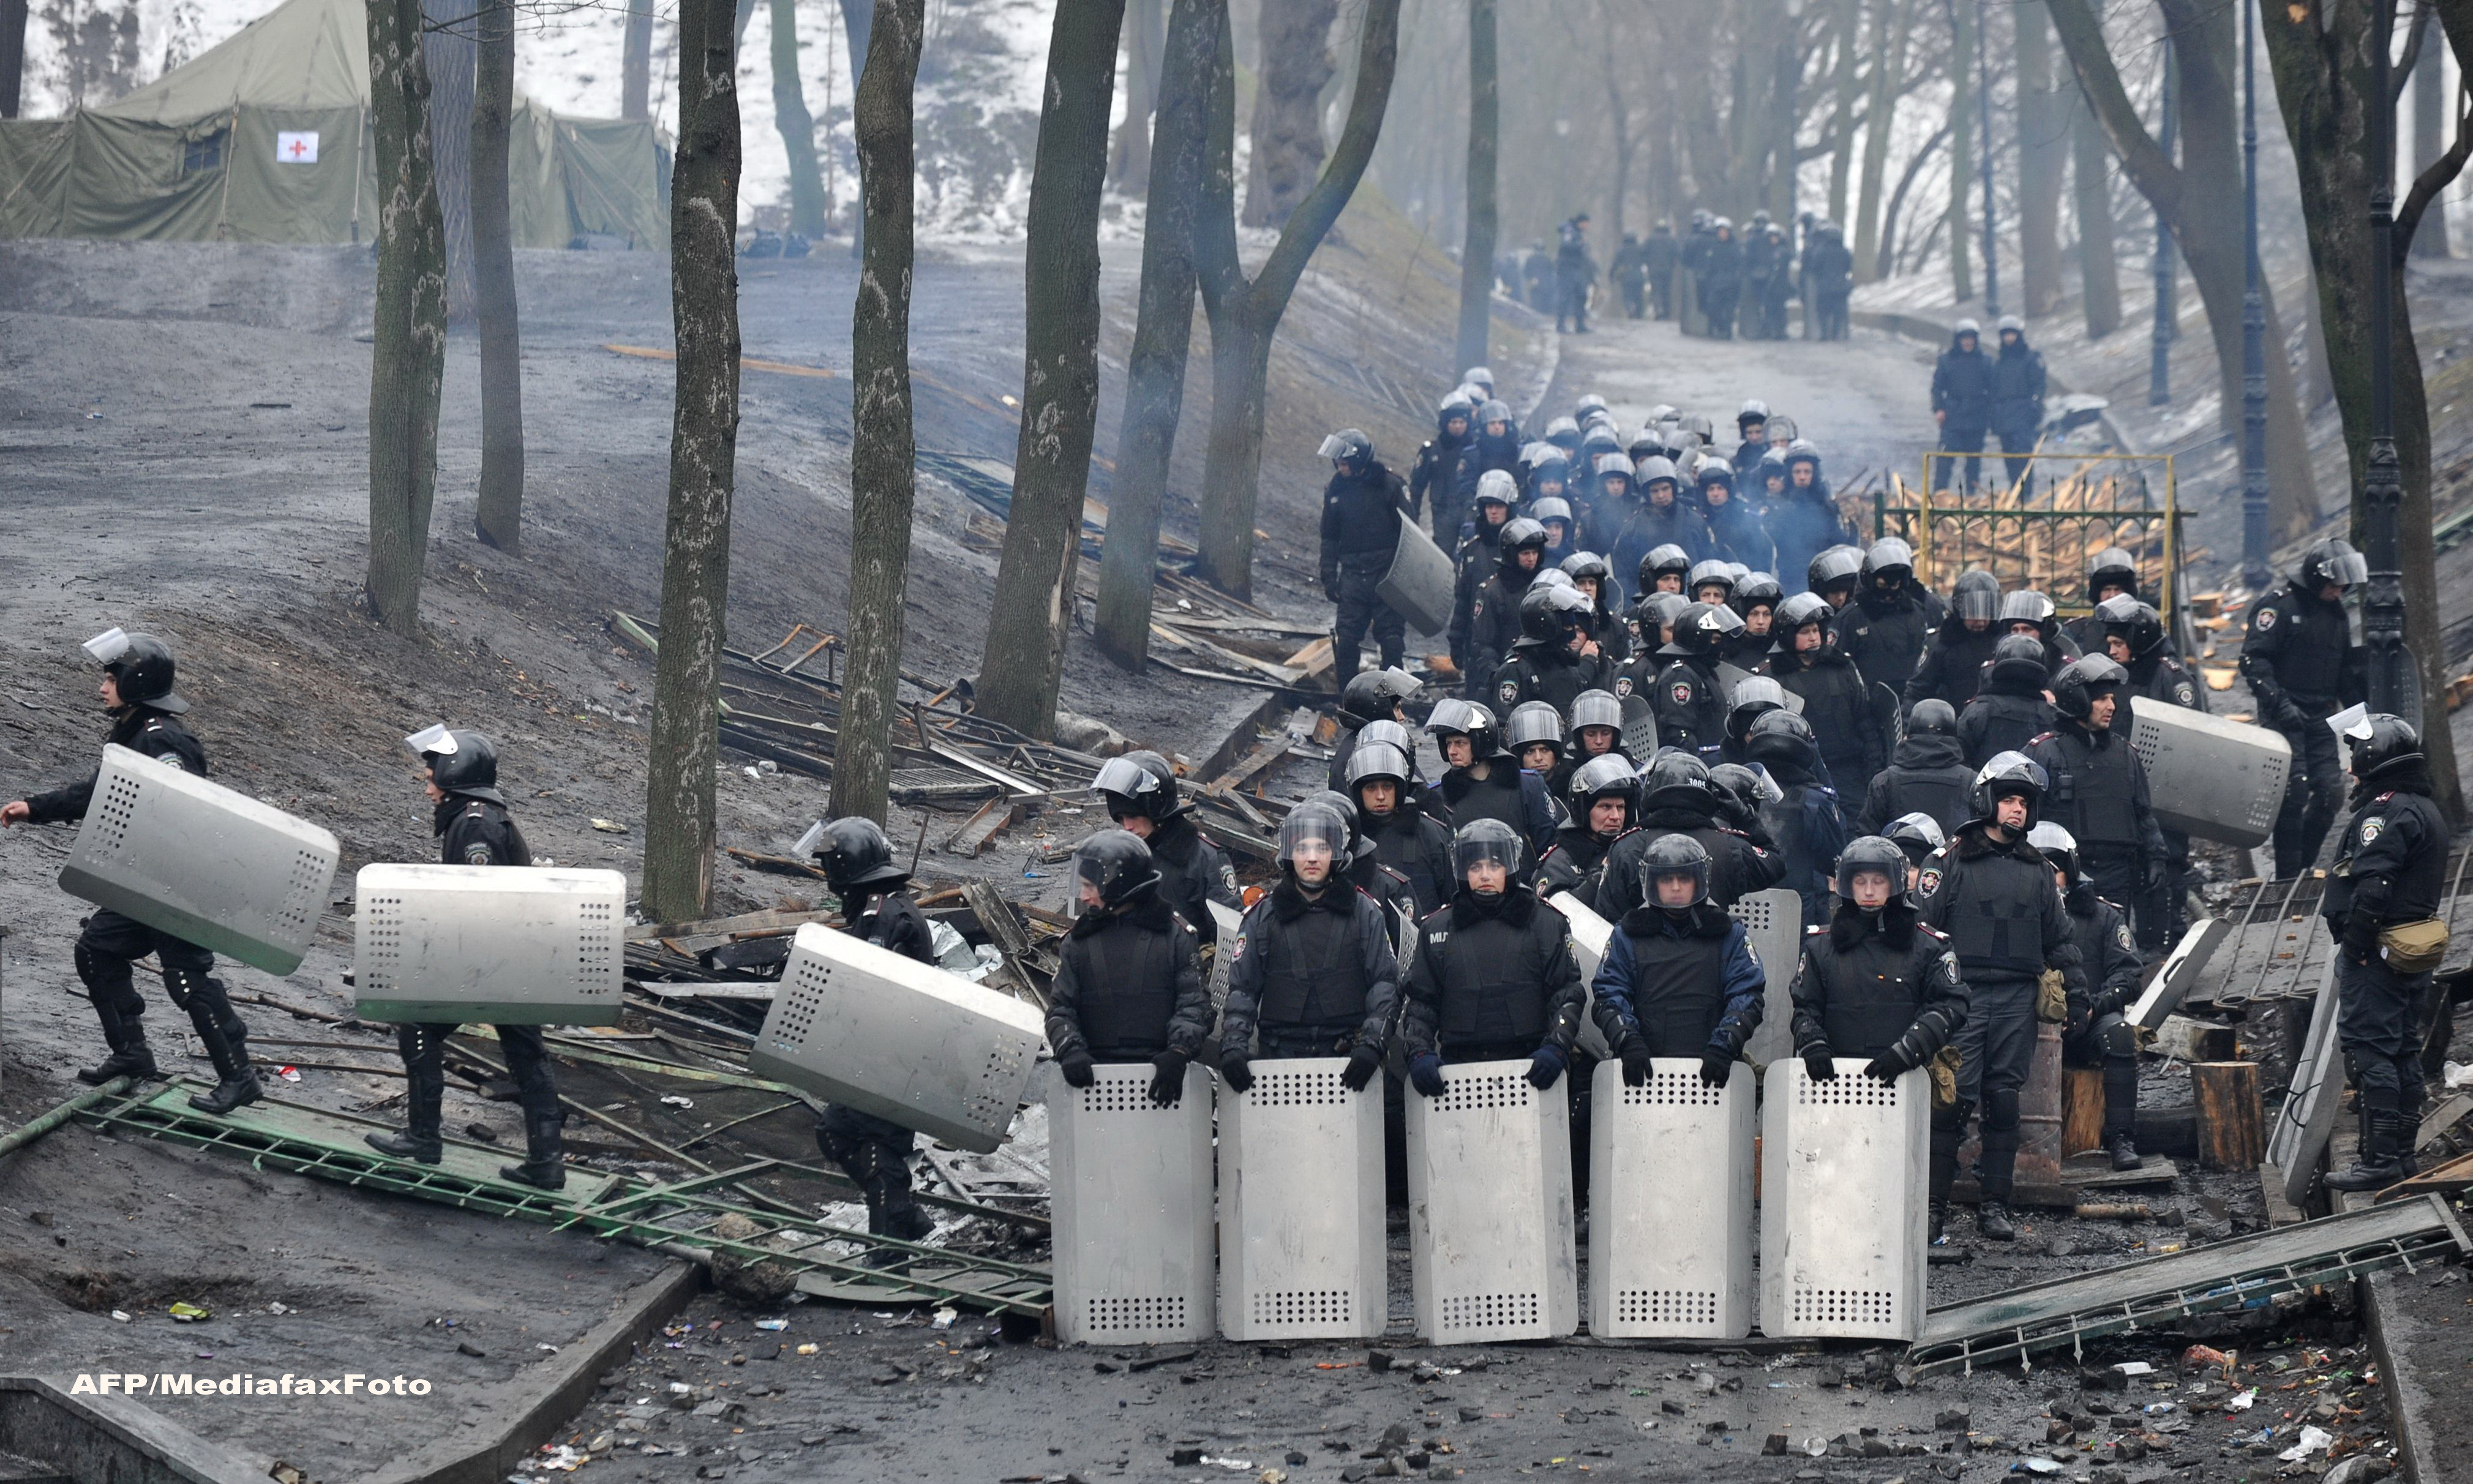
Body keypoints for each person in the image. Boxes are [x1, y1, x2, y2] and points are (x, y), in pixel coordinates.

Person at [2, 630, 259, 1115]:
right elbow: (100, 792)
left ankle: (240, 1078)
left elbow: (187, 813)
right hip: (150, 882)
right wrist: (34, 808)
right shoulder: (136, 734)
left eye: (110, 677)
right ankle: (133, 1054)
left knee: (188, 980)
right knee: (98, 951)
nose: (102, 687)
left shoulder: (164, 741)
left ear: (135, 682)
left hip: (179, 886)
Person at [359, 727, 566, 1186]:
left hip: (489, 964)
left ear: (455, 775)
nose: (428, 786)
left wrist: (445, 966)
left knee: (418, 1026)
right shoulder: (480, 816)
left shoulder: (475, 824)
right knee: (527, 1056)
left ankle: (423, 1137)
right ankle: (546, 1162)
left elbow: (479, 906)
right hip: (511, 961)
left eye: (432, 776)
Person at [1915, 752, 2087, 1242]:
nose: (2016, 810)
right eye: (2009, 799)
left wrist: (2077, 995)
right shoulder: (1948, 860)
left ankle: (1995, 1206)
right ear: (1988, 800)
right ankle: (1933, 1210)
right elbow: (1921, 932)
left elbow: (2060, 939)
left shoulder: (2037, 870)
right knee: (1951, 1104)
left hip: (2016, 996)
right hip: (1961, 997)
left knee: (2003, 1101)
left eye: (2024, 803)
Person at [1788, 835, 1970, 1239]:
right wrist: (1812, 1043)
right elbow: (1804, 1007)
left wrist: (1907, 1051)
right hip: (1833, 1085)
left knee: (1899, 1175)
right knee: (1835, 1177)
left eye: (1878, 881)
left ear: (1895, 884)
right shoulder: (1820, 947)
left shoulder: (1927, 945)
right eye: (1860, 882)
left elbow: (1952, 1004)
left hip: (1902, 1079)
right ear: (1846, 885)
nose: (1869, 891)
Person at [2321, 715, 2449, 1191]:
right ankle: (2400, 1156)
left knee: (2369, 1051)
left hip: (2377, 954)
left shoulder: (2385, 812)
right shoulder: (2422, 806)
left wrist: (2354, 947)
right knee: (2401, 1051)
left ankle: (2378, 1162)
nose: (2352, 765)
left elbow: (2373, 887)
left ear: (2373, 758)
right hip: (2408, 951)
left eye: (2356, 754)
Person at [805, 815, 943, 1243]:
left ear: (847, 865)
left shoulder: (884, 913)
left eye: (831, 863)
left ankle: (890, 1247)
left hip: (891, 1053)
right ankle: (906, 1219)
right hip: (879, 1050)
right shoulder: (877, 906)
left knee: (876, 1141)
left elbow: (878, 990)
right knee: (839, 1131)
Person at [1402, 819, 1589, 1107]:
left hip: (1532, 1068)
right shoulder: (1436, 928)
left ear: (1510, 868)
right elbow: (1422, 1003)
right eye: (1476, 867)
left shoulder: (1546, 923)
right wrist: (1418, 1051)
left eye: (1494, 866)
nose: (1485, 875)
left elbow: (1567, 993)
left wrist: (1558, 1045)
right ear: (1462, 872)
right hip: (1458, 1073)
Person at [1219, 808, 1401, 1092]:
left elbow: (1385, 983)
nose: (1313, 857)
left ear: (1337, 855)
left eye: (1322, 847)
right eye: (1302, 848)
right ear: (1288, 854)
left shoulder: (1365, 913)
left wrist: (1372, 1043)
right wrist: (1233, 1046)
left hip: (1347, 1061)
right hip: (1278, 1060)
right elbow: (1243, 988)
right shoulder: (1261, 917)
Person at [1048, 830, 1216, 1109]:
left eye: (1091, 886)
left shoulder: (1176, 936)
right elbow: (1060, 1008)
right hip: (1094, 1083)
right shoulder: (1077, 942)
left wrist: (1178, 1051)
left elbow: (1195, 1003)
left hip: (1161, 1081)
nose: (1084, 896)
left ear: (1116, 886)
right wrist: (1069, 1048)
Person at [1589, 836, 1768, 1090]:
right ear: (1652, 882)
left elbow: (1748, 993)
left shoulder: (1729, 934)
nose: (1675, 887)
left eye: (1684, 879)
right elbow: (1608, 993)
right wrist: (1627, 1040)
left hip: (1713, 1072)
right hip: (1645, 1072)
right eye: (1666, 879)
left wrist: (1725, 1043)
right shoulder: (1628, 936)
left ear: (1699, 881)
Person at [2241, 537, 2368, 878]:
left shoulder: (2337, 616)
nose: (2340, 590)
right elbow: (2253, 659)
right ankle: (2286, 875)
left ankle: (2302, 866)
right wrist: (2278, 703)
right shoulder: (2280, 606)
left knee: (2330, 793)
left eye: (2344, 585)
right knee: (2293, 791)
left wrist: (2360, 728)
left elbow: (2342, 674)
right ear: (2317, 578)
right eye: (2334, 584)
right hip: (2284, 712)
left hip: (2321, 715)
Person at [2026, 656, 2169, 951]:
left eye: (2112, 699)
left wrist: (2155, 857)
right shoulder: (2046, 752)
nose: (2111, 707)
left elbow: (2143, 813)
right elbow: (2024, 812)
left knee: (2112, 949)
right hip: (2063, 873)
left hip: (2116, 873)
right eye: (2102, 699)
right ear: (2078, 700)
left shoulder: (2125, 754)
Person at [2032, 823, 2148, 1172]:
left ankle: (2121, 1139)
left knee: (2121, 1034)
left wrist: (2094, 1006)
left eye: (2055, 872)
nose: (2049, 881)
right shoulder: (2019, 915)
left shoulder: (2104, 917)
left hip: (2092, 1019)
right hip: (2029, 1023)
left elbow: (2129, 976)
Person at [1592, 751, 1785, 915]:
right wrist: (1746, 818)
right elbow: (1775, 865)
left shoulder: (1626, 848)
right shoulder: (1731, 847)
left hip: (1643, 958)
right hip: (1714, 956)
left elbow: (1606, 917)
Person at [1093, 751, 1239, 931]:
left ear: (1156, 809)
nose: (1127, 826)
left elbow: (1230, 933)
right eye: (1121, 818)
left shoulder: (1205, 859)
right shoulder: (1123, 857)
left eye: (1132, 815)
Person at [1765, 591, 1888, 802]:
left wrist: (1874, 766)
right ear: (1788, 635)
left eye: (1816, 630)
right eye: (1805, 632)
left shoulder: (1842, 667)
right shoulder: (1772, 677)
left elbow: (1864, 719)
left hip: (1849, 771)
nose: (1813, 637)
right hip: (1803, 774)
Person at [1318, 429, 1413, 686]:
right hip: (1352, 573)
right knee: (1347, 639)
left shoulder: (1390, 484)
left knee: (1392, 639)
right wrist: (1328, 576)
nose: (1341, 466)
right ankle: (1348, 699)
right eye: (1339, 462)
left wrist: (1404, 578)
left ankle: (1392, 700)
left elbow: (1410, 532)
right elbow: (1329, 537)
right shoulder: (1336, 490)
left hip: (1387, 572)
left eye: (1346, 462)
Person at [1746, 710, 1849, 927]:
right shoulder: (1815, 800)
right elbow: (1834, 856)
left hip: (1744, 907)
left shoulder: (1739, 792)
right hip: (1798, 911)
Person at [1424, 699, 1558, 858]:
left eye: (1460, 743)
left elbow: (1549, 848)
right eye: (1448, 744)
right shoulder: (1438, 797)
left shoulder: (1528, 786)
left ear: (1481, 742)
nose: (1452, 751)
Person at [1348, 740, 1457, 915]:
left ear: (1399, 789)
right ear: (1359, 793)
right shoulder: (1349, 838)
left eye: (1387, 787)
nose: (1381, 796)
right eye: (1371, 788)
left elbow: (1451, 898)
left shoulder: (1430, 833)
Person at [1834, 537, 1944, 701]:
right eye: (1883, 586)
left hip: (1912, 700)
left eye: (1895, 586)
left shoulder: (1916, 612)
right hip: (1868, 703)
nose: (1889, 594)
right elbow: (1838, 670)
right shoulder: (1851, 618)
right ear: (1870, 581)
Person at [1858, 698, 1976, 838]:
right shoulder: (1972, 781)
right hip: (1955, 859)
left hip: (1901, 859)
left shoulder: (1885, 781)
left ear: (1909, 734)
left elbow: (1867, 838)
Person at [1495, 583, 1615, 716]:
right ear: (1548, 626)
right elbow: (1504, 723)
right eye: (1568, 627)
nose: (1572, 636)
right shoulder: (1515, 670)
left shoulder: (1564, 665)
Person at [1468, 515, 1552, 693]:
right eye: (1525, 553)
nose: (1531, 558)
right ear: (1512, 554)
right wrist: (1496, 676)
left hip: (1544, 675)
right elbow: (1483, 643)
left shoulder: (1548, 586)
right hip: (1507, 677)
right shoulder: (1492, 592)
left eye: (1535, 553)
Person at [1902, 569, 2005, 714]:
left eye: (1986, 614)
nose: (1980, 621)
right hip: (1951, 724)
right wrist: (1909, 727)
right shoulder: (1942, 643)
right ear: (1959, 610)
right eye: (1973, 614)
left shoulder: (2003, 643)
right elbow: (1918, 690)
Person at [1653, 601, 1742, 765]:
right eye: (1716, 639)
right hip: (1698, 766)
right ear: (1698, 639)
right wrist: (1697, 767)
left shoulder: (1701, 671)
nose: (1721, 645)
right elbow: (1680, 734)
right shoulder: (1680, 675)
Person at [1449, 470, 1518, 678]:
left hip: (1512, 637)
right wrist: (1456, 640)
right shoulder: (1472, 549)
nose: (1494, 512)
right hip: (1478, 636)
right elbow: (1462, 597)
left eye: (1499, 506)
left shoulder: (1522, 546)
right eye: (1489, 506)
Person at [1538, 755, 1638, 901]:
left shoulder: (1633, 851)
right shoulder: (1560, 861)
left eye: (1621, 807)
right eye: (1606, 807)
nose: (1616, 816)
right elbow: (1554, 915)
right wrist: (1600, 877)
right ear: (1583, 811)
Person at [1957, 635, 2059, 768]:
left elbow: (1960, 760)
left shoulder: (1978, 711)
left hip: (1984, 787)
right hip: (2038, 787)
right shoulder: (2052, 715)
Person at [1328, 666, 1420, 792]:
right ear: (1380, 710)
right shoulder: (1368, 755)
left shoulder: (1356, 744)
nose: (1402, 717)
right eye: (1397, 709)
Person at [1929, 319, 1994, 493]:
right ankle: (1939, 495)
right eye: (1964, 338)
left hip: (1976, 416)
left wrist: (1989, 414)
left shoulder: (1985, 361)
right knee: (1944, 461)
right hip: (1953, 415)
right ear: (1958, 340)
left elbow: (1993, 389)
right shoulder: (1946, 361)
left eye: (1971, 338)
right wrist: (1939, 409)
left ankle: (1971, 497)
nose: (1968, 342)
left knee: (1973, 463)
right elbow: (1937, 388)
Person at [1989, 315, 2047, 496]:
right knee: (2009, 457)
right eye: (2006, 335)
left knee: (2023, 455)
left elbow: (2039, 384)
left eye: (2012, 335)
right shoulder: (1999, 362)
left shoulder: (2031, 359)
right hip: (2004, 414)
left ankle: (2026, 493)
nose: (2009, 339)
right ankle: (2015, 489)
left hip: (2022, 412)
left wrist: (2034, 406)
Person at [1413, 393, 1475, 542]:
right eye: (1454, 422)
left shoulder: (1475, 450)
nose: (1458, 427)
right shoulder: (1432, 450)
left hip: (1469, 510)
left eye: (1462, 422)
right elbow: (1417, 486)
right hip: (1442, 511)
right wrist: (1413, 516)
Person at [2063, 547, 2145, 654]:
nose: (2113, 595)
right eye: (2107, 590)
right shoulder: (2077, 630)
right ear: (2097, 594)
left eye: (2118, 590)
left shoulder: (2144, 628)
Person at [1561, 550, 1630, 670]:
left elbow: (1625, 666)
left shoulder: (1617, 626)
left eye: (1592, 583)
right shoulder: (1560, 622)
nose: (1588, 588)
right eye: (1581, 583)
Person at [1699, 462, 1773, 571]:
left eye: (1720, 488)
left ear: (1728, 490)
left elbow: (1761, 553)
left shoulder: (1746, 517)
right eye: (1711, 489)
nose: (1715, 494)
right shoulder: (1699, 519)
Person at [1997, 588, 2082, 678]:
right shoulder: (1998, 665)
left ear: (2044, 634)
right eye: (2015, 630)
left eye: (2027, 630)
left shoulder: (2065, 669)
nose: (2020, 635)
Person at [1803, 219, 1853, 339]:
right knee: (1838, 313)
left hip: (1824, 286)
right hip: (1841, 286)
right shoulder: (1845, 252)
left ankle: (1824, 335)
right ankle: (1837, 334)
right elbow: (1848, 267)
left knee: (1823, 312)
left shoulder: (1821, 251)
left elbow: (1814, 267)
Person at [1698, 218, 1744, 339]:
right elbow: (1708, 264)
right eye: (1720, 232)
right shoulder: (1713, 247)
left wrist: (1736, 279)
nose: (1722, 234)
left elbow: (1739, 264)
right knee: (1713, 308)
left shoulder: (1734, 247)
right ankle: (1717, 328)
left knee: (1729, 310)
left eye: (1725, 232)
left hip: (1730, 283)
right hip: (1715, 283)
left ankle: (1727, 331)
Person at [1506, 700, 1568, 782]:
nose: (1538, 758)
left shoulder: (1574, 783)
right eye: (1529, 751)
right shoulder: (1510, 790)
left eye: (1545, 750)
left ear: (1557, 754)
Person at [1556, 213, 1597, 333]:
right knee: (1565, 297)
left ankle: (1580, 325)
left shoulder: (1577, 233)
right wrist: (1580, 246)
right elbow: (1566, 245)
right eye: (1585, 223)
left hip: (1577, 269)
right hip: (1567, 270)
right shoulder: (1569, 231)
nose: (1586, 226)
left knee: (1581, 296)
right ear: (1581, 222)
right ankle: (1561, 325)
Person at [1807, 544, 1865, 615]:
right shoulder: (1810, 617)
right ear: (1821, 591)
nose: (1840, 598)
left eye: (1844, 591)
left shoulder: (1854, 615)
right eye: (1834, 592)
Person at [1643, 219, 1679, 319]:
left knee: (1656, 290)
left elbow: (1643, 253)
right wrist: (1672, 264)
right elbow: (1677, 254)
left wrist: (1648, 263)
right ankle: (1667, 313)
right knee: (1666, 291)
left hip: (1654, 269)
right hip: (1668, 270)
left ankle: (1659, 309)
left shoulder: (1650, 239)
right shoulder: (1672, 240)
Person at [1612, 231, 1648, 318]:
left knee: (1627, 296)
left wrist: (1612, 275)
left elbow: (1616, 263)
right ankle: (1639, 314)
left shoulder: (1622, 250)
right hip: (1638, 274)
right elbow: (1646, 260)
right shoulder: (1640, 249)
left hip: (1627, 275)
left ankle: (1630, 308)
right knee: (1639, 296)